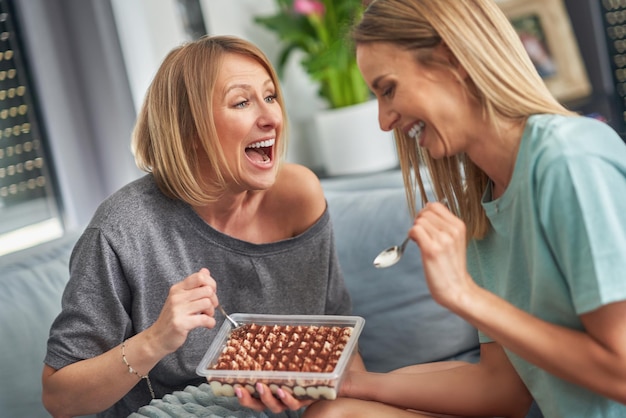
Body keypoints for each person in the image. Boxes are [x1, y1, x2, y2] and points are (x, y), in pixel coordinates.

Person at [303, 0, 626, 417]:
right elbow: (501, 390)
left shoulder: (569, 160)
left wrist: (464, 295)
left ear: (452, 59)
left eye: (388, 89)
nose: (383, 121)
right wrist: (354, 385)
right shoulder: (482, 204)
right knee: (336, 413)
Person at [42, 35, 359, 418]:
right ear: (189, 130)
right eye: (242, 102)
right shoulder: (123, 229)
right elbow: (60, 398)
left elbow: (346, 356)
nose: (271, 117)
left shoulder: (299, 198)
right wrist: (156, 340)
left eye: (271, 96)